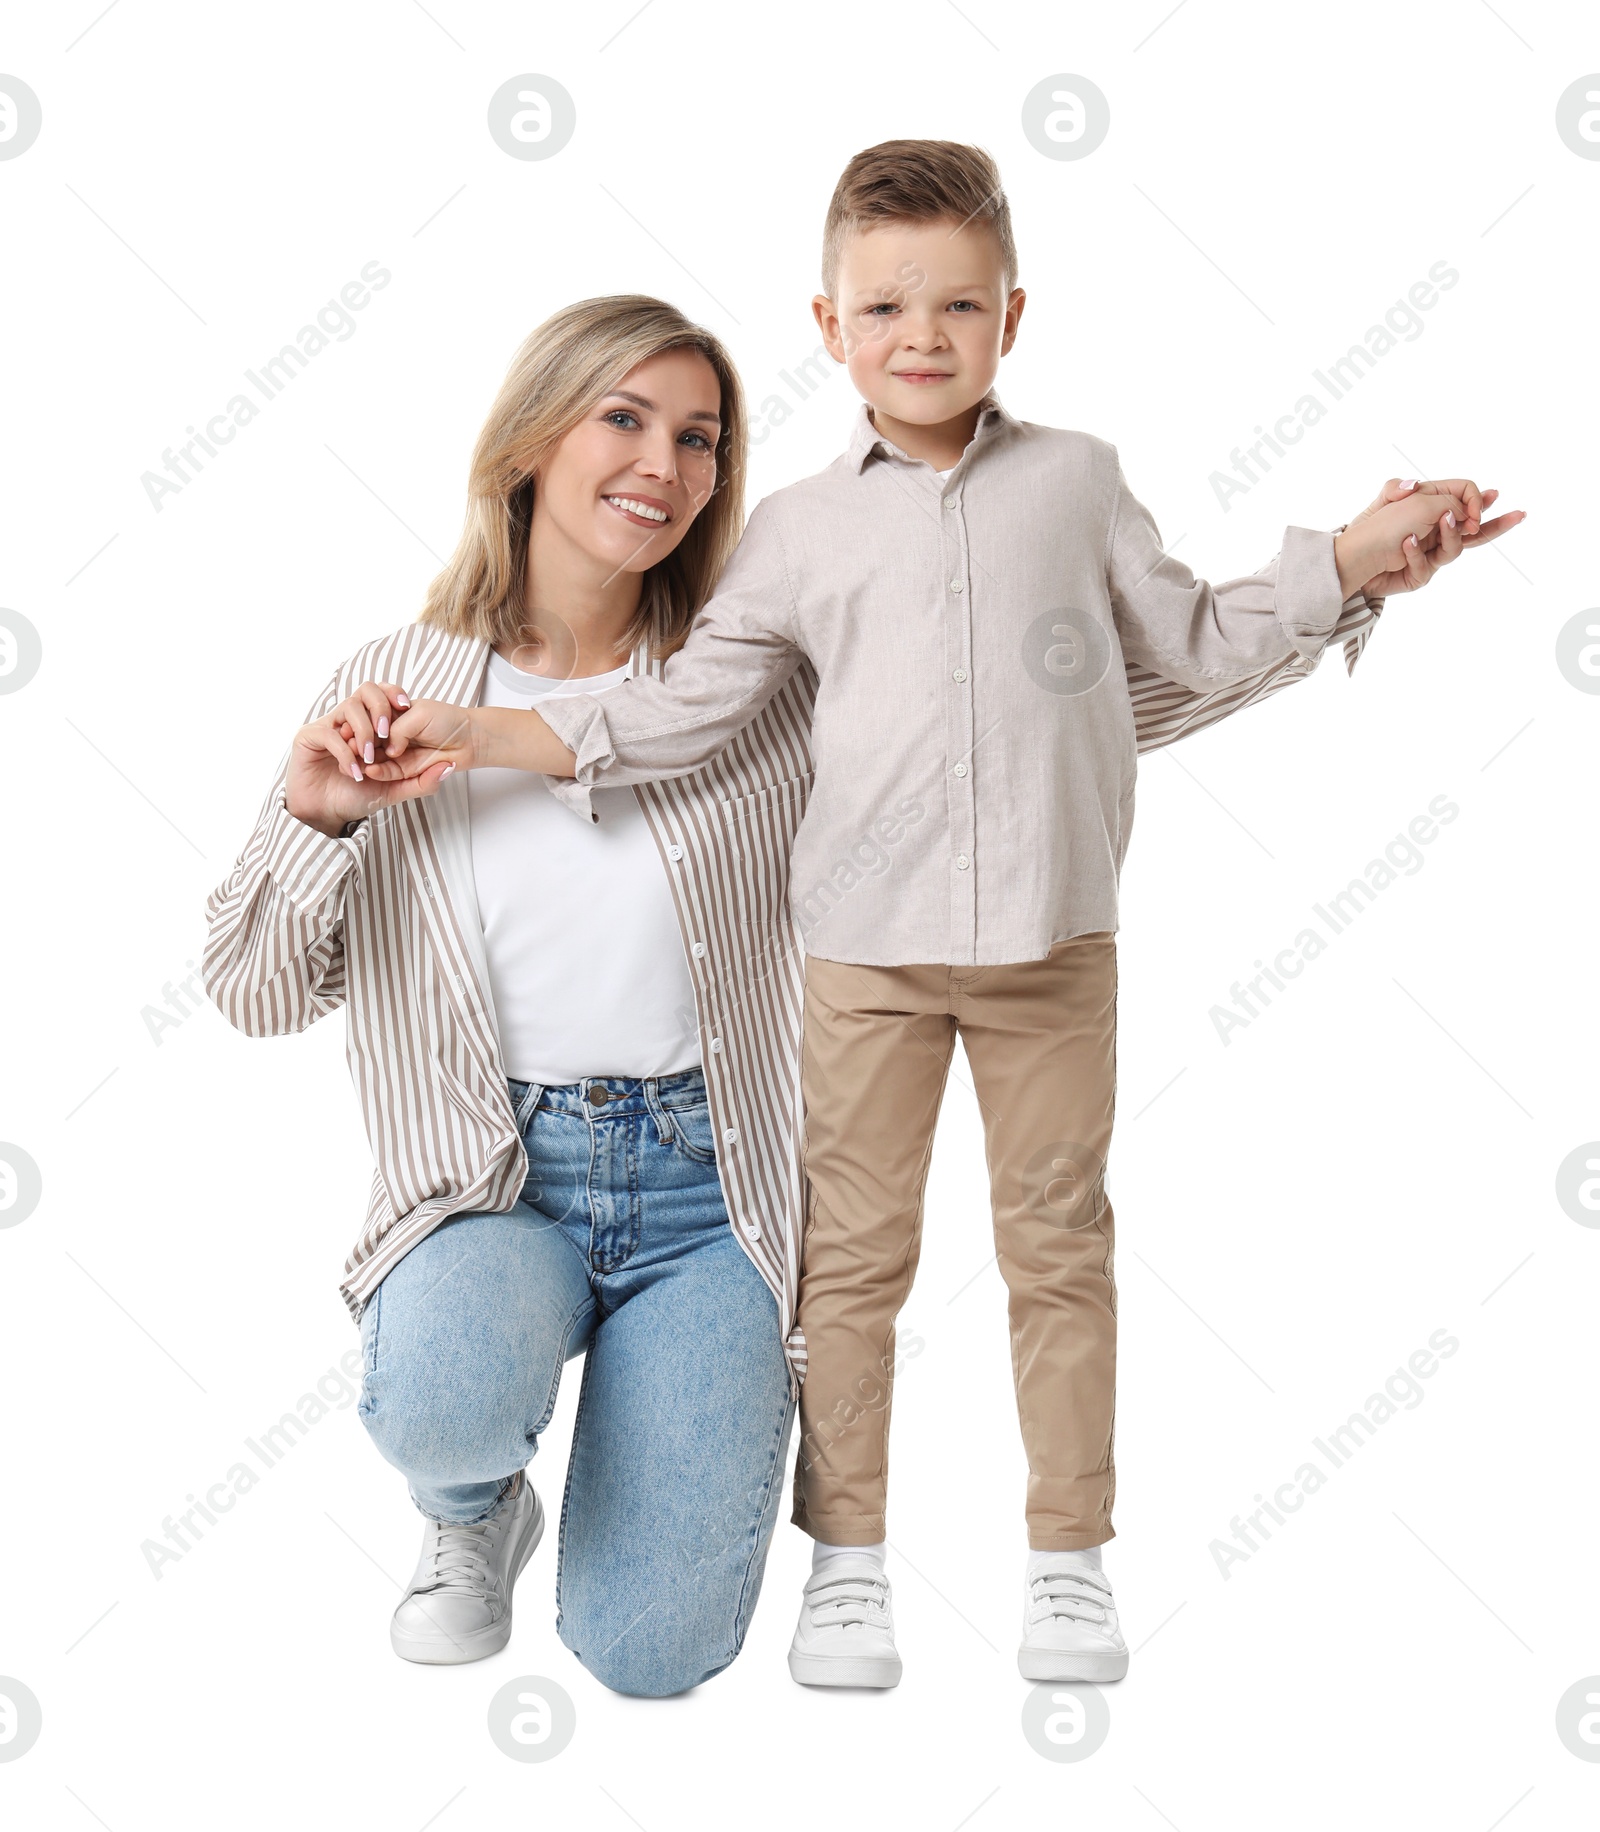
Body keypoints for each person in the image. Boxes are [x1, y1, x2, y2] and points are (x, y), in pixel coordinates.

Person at [338, 144, 1525, 1691]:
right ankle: (847, 1559)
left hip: (1054, 945)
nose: (922, 334)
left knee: (1057, 1245)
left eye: (958, 302)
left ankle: (1067, 1557)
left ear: (1013, 316)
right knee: (856, 1265)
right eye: (885, 304)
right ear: (827, 327)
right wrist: (478, 732)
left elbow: (1176, 647)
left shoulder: (1079, 480)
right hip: (862, 961)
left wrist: (1351, 569)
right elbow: (684, 713)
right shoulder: (796, 539)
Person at [203, 296, 821, 1696]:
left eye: (700, 437)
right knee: (443, 1394)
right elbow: (250, 990)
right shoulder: (395, 682)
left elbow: (1006, 721)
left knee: (652, 1654)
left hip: (709, 1194)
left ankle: (612, 1488)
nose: (664, 461)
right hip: (489, 1181)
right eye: (624, 417)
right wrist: (318, 825)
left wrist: (1326, 588)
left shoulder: (751, 685)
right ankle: (472, 1506)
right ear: (532, 443)